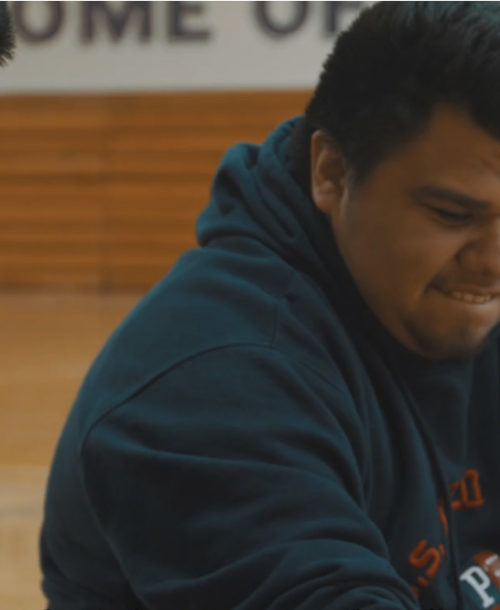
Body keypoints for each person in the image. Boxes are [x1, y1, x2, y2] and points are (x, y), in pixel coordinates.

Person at [41, 2, 500, 609]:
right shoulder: (208, 385)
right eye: (453, 215)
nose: (494, 261)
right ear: (331, 172)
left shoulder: (440, 299)